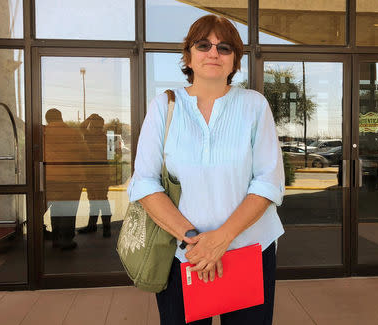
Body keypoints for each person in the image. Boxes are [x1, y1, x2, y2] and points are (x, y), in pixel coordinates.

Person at [128, 15, 285, 325]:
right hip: (184, 255)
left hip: (249, 251)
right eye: (204, 45)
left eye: (224, 47)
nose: (214, 53)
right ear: (189, 55)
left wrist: (221, 239)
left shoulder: (254, 105)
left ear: (235, 60)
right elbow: (144, 182)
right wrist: (195, 242)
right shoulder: (164, 106)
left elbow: (268, 181)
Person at [43, 108, 88, 250]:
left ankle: (56, 238)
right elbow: (85, 153)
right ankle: (66, 240)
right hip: (71, 178)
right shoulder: (73, 133)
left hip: (49, 177)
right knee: (68, 209)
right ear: (61, 117)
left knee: (55, 209)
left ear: (47, 119)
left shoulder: (43, 134)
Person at [78, 113, 113, 237]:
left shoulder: (104, 138)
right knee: (93, 200)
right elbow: (81, 127)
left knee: (102, 199)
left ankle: (106, 228)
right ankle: (92, 226)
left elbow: (110, 156)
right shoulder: (90, 136)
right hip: (91, 173)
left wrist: (90, 117)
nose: (91, 127)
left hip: (100, 173)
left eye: (93, 124)